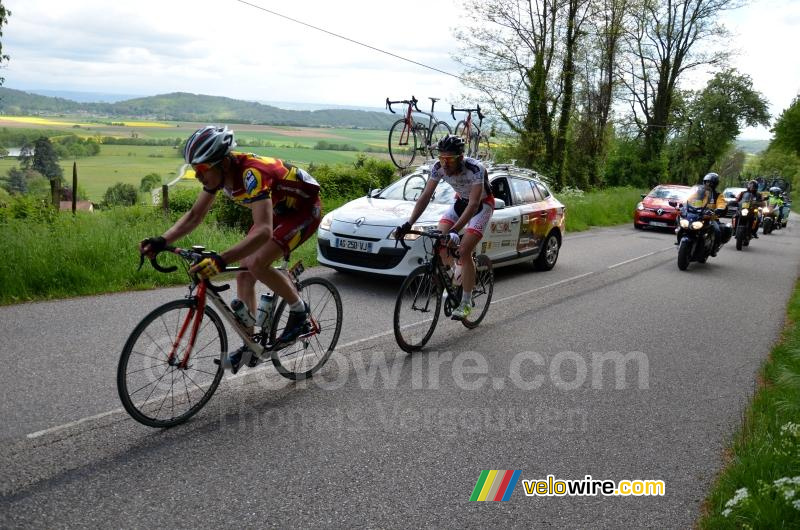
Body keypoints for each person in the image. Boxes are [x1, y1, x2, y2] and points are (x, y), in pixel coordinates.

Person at [139, 125, 321, 373]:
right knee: (244, 272)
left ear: (223, 163)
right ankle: (250, 345)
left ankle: (299, 312)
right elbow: (194, 216)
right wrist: (162, 240)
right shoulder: (219, 176)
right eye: (195, 170)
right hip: (279, 209)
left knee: (257, 263)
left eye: (201, 169)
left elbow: (263, 231)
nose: (197, 176)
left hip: (303, 211)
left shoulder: (252, 174)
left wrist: (221, 259)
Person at [396, 135, 494, 320]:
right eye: (442, 159)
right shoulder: (438, 168)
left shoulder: (476, 169)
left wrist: (455, 230)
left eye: (450, 160)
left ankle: (466, 302)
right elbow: (425, 196)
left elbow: (473, 204)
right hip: (460, 203)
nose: (445, 164)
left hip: (482, 206)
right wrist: (409, 224)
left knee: (464, 250)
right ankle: (456, 276)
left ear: (461, 157)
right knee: (440, 241)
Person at [676, 172, 727, 255]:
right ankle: (680, 242)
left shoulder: (718, 195)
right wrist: (682, 205)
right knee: (682, 225)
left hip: (710, 217)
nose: (708, 184)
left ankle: (714, 249)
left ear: (715, 184)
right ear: (704, 182)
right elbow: (688, 199)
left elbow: (721, 203)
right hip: (696, 215)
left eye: (711, 182)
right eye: (707, 182)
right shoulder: (698, 193)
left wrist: (719, 209)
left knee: (717, 230)